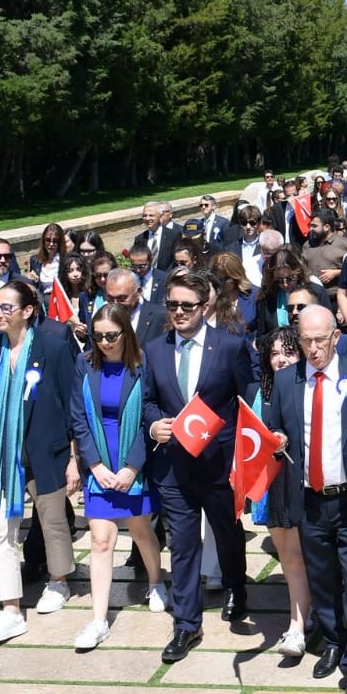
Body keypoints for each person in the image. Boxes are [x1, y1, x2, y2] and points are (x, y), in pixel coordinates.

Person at [262, 304, 347, 694]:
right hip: (310, 500)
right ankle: (334, 641)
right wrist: (278, 439)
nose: (313, 348)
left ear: (336, 337)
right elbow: (275, 429)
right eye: (305, 340)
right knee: (322, 581)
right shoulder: (287, 380)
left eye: (320, 340)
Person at [140, 267, 258, 664]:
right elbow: (148, 400)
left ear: (204, 306)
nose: (178, 312)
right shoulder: (155, 350)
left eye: (186, 306)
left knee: (226, 531)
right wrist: (154, 422)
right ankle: (186, 624)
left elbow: (248, 397)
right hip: (174, 466)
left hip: (219, 463)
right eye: (171, 305)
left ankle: (236, 586)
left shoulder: (229, 346)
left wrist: (245, 450)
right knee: (183, 544)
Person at [0, 280, 80, 643]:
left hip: (45, 450)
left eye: (6, 308)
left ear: (27, 311)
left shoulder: (54, 346)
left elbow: (71, 402)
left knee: (52, 521)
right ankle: (11, 610)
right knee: (1, 532)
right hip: (1, 454)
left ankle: (59, 580)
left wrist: (75, 458)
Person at [70, 302, 167, 650]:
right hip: (100, 462)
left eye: (112, 335)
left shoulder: (143, 366)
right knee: (100, 541)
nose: (105, 342)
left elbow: (149, 417)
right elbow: (78, 418)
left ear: (126, 332)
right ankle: (98, 620)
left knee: (141, 531)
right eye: (98, 337)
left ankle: (156, 581)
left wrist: (131, 467)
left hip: (132, 461)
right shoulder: (84, 364)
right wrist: (94, 465)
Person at [246, 327, 315, 657]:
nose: (282, 359)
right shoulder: (254, 392)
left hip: (308, 482)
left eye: (289, 351)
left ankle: (312, 617)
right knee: (289, 558)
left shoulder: (310, 387)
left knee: (310, 556)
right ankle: (297, 624)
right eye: (274, 353)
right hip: (273, 483)